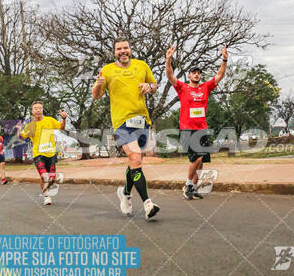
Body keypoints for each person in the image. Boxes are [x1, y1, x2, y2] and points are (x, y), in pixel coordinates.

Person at [92, 38, 160, 220]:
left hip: (142, 120)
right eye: (119, 49)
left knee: (136, 162)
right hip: (121, 122)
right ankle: (148, 204)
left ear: (130, 49)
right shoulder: (107, 70)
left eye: (125, 48)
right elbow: (96, 96)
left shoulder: (142, 65)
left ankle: (125, 193)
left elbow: (154, 86)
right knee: (135, 157)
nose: (123, 51)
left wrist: (149, 87)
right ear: (114, 52)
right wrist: (98, 85)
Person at [166, 43, 228, 200]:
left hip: (202, 129)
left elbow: (220, 76)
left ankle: (192, 188)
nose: (196, 74)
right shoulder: (182, 88)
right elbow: (170, 76)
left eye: (199, 73)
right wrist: (168, 60)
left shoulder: (205, 88)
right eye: (194, 72)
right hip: (188, 129)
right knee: (196, 158)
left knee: (201, 162)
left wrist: (224, 61)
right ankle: (187, 184)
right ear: (189, 75)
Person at [18, 101, 67, 206]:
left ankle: (46, 188)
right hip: (38, 154)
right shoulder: (30, 126)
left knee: (52, 178)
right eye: (35, 108)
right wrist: (18, 130)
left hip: (51, 153)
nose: (38, 110)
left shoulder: (49, 120)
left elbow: (61, 128)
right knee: (44, 176)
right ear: (32, 111)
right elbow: (22, 137)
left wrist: (64, 119)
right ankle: (46, 196)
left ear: (42, 110)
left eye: (40, 108)